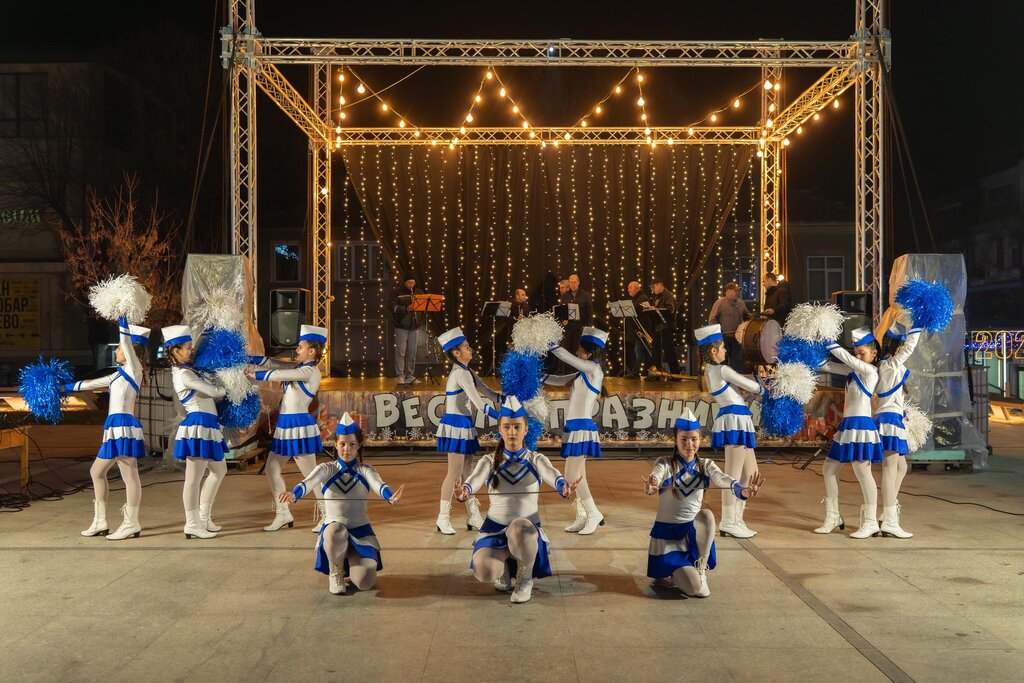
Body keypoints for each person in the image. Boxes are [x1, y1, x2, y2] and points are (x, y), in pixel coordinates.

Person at [453, 396, 581, 604]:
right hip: (494, 529)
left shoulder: (536, 459)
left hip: (525, 531)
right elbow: (475, 478)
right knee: (485, 571)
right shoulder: (488, 460)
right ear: (500, 430)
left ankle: (525, 578)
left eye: (516, 427)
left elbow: (551, 473)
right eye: (507, 427)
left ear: (526, 429)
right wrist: (465, 491)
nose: (512, 432)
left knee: (519, 527)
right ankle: (503, 567)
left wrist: (562, 486)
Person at [643, 410, 764, 597]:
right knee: (695, 590)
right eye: (683, 439)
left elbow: (722, 478)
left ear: (700, 440)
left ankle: (701, 567)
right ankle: (674, 574)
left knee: (706, 515)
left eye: (694, 439)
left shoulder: (706, 465)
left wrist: (743, 491)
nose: (689, 444)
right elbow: (656, 476)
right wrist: (652, 486)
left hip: (693, 536)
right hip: (668, 538)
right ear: (675, 440)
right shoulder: (665, 463)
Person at [279, 413, 403, 594]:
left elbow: (379, 485)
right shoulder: (326, 469)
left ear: (359, 445)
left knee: (365, 582)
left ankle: (351, 562)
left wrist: (390, 496)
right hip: (335, 532)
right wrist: (294, 494)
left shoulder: (365, 470)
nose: (347, 449)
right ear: (335, 444)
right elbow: (308, 483)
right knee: (336, 529)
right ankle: (335, 571)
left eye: (352, 444)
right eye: (343, 444)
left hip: (361, 532)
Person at [69, 317, 149, 540]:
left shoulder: (135, 370)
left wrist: (122, 320)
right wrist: (62, 387)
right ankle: (100, 521)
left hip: (124, 428)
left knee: (129, 475)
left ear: (130, 351)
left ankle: (131, 523)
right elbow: (89, 384)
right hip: (113, 429)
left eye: (119, 348)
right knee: (96, 472)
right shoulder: (117, 375)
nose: (116, 351)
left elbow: (127, 342)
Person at [249, 325, 327, 533]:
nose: (297, 349)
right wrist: (248, 359)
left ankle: (328, 516)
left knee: (311, 476)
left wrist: (252, 374)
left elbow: (277, 374)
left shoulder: (310, 371)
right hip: (285, 426)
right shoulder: (298, 366)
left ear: (312, 351)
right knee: (272, 468)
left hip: (299, 426)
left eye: (301, 346)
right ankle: (283, 513)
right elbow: (272, 363)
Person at [694, 324, 766, 539]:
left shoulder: (711, 370)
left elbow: (745, 381)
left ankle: (737, 518)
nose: (726, 350)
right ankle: (728, 521)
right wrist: (769, 388)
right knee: (732, 475)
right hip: (734, 421)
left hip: (739, 420)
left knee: (751, 474)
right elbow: (752, 386)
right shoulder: (721, 370)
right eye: (723, 347)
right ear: (714, 351)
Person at [815, 327, 884, 539]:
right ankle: (833, 516)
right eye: (856, 353)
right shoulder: (852, 372)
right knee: (828, 469)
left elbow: (845, 358)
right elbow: (825, 365)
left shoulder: (870, 372)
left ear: (874, 353)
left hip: (861, 426)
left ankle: (871, 522)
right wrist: (806, 350)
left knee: (862, 472)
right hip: (847, 426)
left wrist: (827, 338)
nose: (858, 357)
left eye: (862, 353)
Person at [163, 324, 229, 540]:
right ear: (176, 351)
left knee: (219, 471)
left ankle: (203, 517)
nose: (192, 351)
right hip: (198, 427)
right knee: (193, 478)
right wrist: (232, 385)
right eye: (188, 348)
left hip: (207, 425)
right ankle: (192, 524)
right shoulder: (184, 374)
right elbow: (214, 392)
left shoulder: (191, 371)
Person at [434, 327, 501, 535]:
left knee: (467, 472)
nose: (470, 349)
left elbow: (486, 390)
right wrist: (502, 417)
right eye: (466, 347)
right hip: (456, 426)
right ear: (456, 353)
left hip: (465, 425)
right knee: (454, 473)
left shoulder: (467, 371)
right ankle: (442, 518)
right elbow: (479, 404)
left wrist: (507, 400)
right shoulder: (460, 373)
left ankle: (472, 515)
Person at [542, 327, 608, 535]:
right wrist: (538, 377)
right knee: (579, 477)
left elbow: (565, 356)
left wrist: (546, 339)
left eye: (580, 348)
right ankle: (582, 515)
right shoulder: (582, 373)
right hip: (574, 428)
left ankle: (593, 513)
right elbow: (559, 380)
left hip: (582, 428)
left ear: (588, 353)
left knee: (571, 475)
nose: (577, 351)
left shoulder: (593, 369)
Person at [875, 321, 924, 538]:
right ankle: (889, 520)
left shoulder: (884, 366)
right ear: (897, 346)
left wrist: (902, 410)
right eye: (901, 345)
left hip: (892, 418)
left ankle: (888, 511)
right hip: (889, 421)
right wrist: (919, 324)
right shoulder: (890, 365)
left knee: (901, 467)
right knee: (889, 469)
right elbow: (910, 347)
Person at [708, 282, 752, 373]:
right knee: (722, 359)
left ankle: (736, 378)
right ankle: (722, 378)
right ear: (728, 291)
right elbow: (712, 320)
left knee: (737, 361)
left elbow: (748, 316)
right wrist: (718, 334)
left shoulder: (741, 303)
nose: (737, 293)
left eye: (737, 291)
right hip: (723, 337)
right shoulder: (720, 303)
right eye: (735, 291)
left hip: (737, 337)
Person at [389, 274, 422, 385]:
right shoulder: (396, 292)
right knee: (401, 352)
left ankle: (410, 375)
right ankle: (400, 375)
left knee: (412, 353)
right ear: (404, 282)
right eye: (409, 283)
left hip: (414, 326)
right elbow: (391, 306)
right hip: (401, 326)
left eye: (413, 283)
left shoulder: (419, 292)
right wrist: (406, 308)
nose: (411, 285)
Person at [644, 277, 681, 374]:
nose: (652, 290)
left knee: (669, 350)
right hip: (658, 327)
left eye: (653, 287)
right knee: (656, 351)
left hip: (666, 327)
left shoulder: (669, 296)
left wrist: (655, 309)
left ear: (659, 285)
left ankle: (675, 372)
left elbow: (670, 311)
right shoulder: (657, 296)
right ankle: (656, 372)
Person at [625, 281, 653, 377]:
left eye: (630, 287)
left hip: (641, 331)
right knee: (640, 352)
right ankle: (639, 372)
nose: (628, 289)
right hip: (637, 330)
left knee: (640, 352)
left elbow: (647, 316)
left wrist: (643, 331)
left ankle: (636, 372)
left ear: (637, 288)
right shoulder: (636, 299)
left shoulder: (643, 298)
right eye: (628, 287)